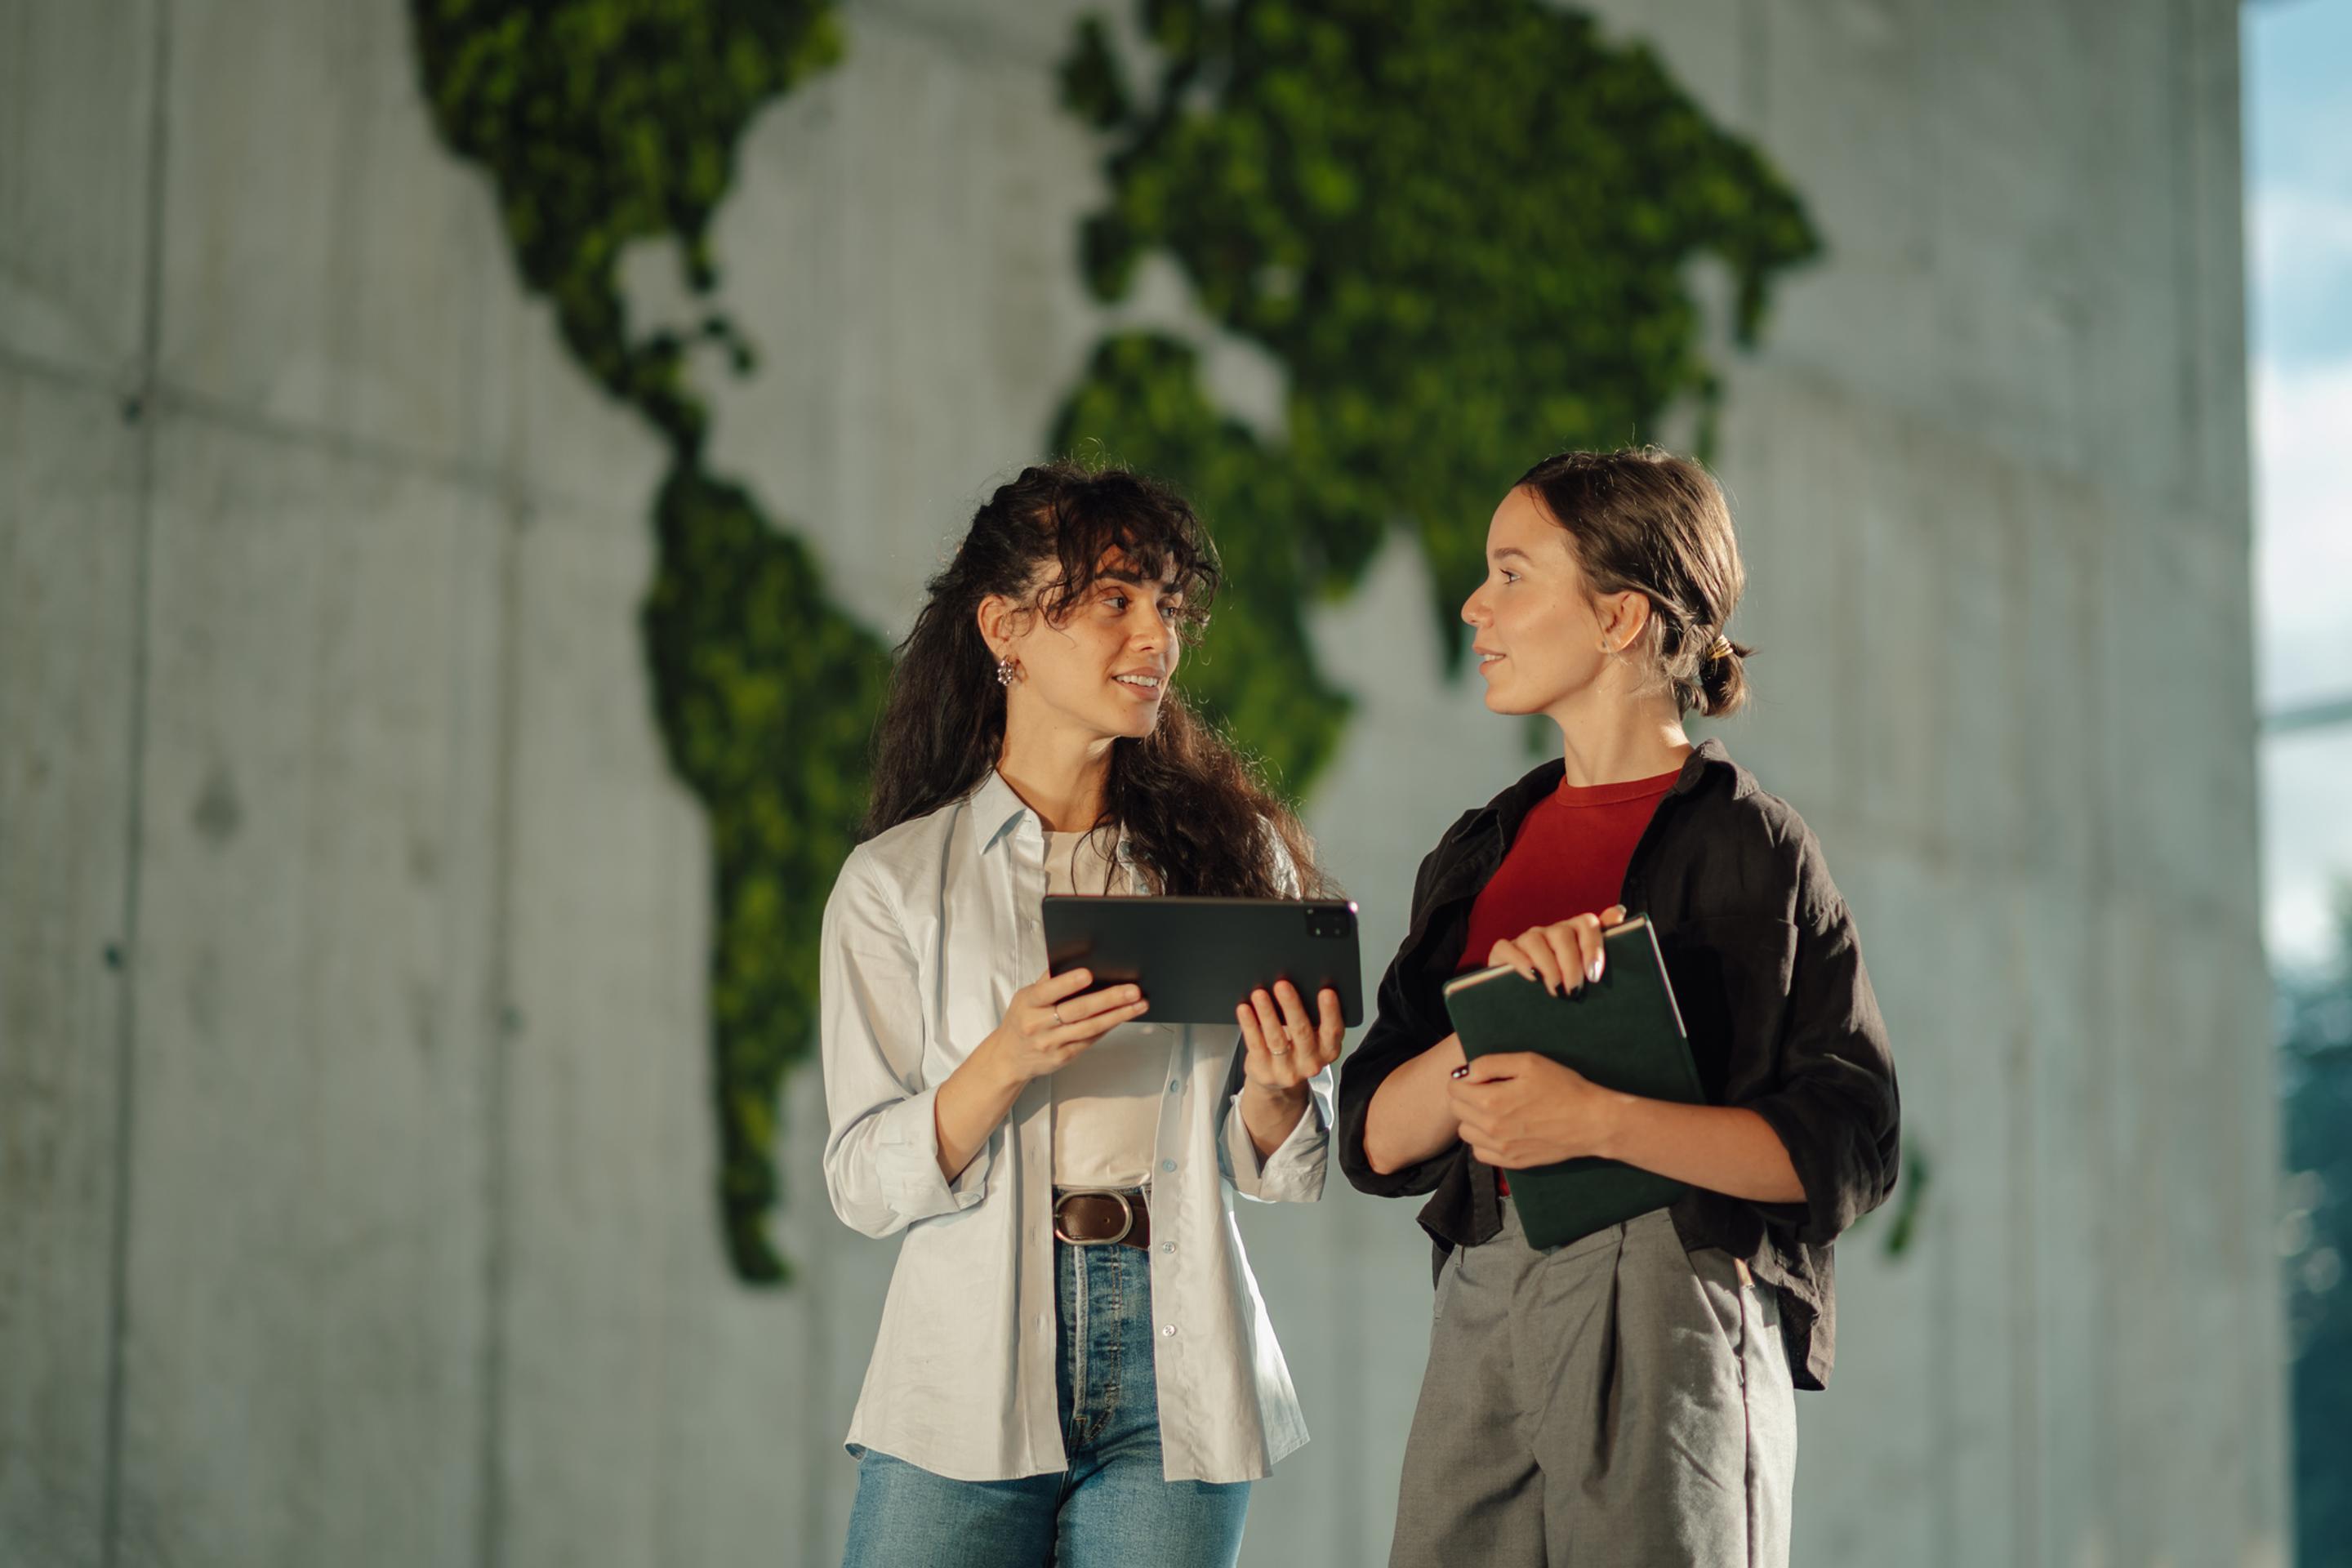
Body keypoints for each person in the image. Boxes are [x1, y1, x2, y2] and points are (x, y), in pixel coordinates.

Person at [1337, 447, 1900, 1568]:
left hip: (1671, 1293)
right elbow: (1373, 1137)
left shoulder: (1752, 846)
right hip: (1485, 1289)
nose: (1475, 606)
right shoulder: (1478, 850)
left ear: (1619, 619)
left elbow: (1846, 1149)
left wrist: (1591, 1119)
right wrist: (1487, 1034)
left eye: (1511, 574)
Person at [821, 461, 1346, 1568]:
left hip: (1182, 1365)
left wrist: (1283, 1090)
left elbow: (1287, 1170)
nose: (1156, 634)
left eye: (1167, 606)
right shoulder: (896, 882)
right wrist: (1002, 1060)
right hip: (959, 1375)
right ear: (1007, 628)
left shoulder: (1231, 856)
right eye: (1116, 599)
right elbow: (861, 1182)